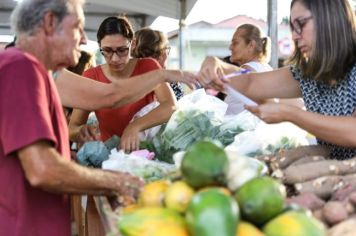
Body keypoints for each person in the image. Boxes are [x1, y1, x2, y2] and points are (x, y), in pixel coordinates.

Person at [0, 1, 143, 235]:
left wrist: (70, 158)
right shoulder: (21, 67)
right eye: (78, 27)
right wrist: (118, 182)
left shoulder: (31, 70)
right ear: (49, 23)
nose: (84, 40)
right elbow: (42, 169)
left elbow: (28, 159)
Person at [198, 0, 356, 160]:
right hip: (335, 174)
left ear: (330, 19)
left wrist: (288, 113)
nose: (294, 35)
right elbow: (252, 83)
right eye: (293, 27)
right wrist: (218, 66)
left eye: (301, 24)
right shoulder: (307, 73)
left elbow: (353, 132)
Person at [69, 17, 177, 152]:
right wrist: (81, 131)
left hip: (145, 152)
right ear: (100, 47)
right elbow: (72, 128)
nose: (115, 58)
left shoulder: (148, 67)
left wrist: (134, 126)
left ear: (133, 44)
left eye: (122, 50)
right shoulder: (91, 76)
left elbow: (170, 105)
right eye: (107, 51)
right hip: (110, 155)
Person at [224, 23, 273, 115]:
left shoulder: (247, 70)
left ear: (251, 45)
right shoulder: (267, 68)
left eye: (235, 43)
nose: (230, 47)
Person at [132, 27, 184, 100]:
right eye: (167, 49)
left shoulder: (126, 80)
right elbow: (177, 107)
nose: (168, 54)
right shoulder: (170, 82)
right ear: (160, 54)